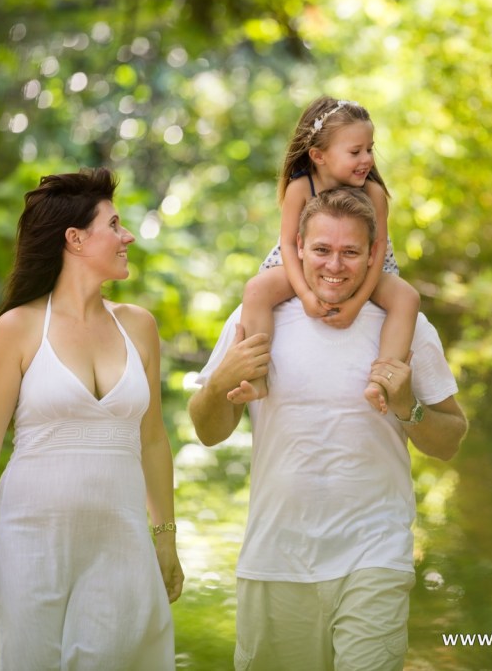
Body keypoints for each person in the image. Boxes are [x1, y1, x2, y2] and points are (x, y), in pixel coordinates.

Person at [189, 186, 468, 671]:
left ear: (372, 256)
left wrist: (408, 407)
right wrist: (219, 383)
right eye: (321, 250)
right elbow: (208, 430)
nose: (334, 266)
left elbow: (451, 439)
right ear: (298, 249)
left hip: (374, 556)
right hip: (275, 559)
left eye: (349, 252)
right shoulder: (255, 320)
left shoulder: (407, 328)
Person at [0, 168, 183, 669]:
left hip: (120, 544)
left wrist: (166, 537)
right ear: (75, 239)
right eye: (115, 224)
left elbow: (153, 441)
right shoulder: (18, 328)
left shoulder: (138, 327)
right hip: (29, 545)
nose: (128, 236)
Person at [231, 96, 421, 413]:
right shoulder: (301, 188)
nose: (368, 159)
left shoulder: (373, 193)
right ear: (319, 155)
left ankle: (383, 380)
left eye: (370, 149)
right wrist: (305, 294)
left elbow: (377, 250)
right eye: (355, 152)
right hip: (303, 265)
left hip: (366, 266)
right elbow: (290, 245)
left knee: (408, 299)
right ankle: (258, 376)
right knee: (256, 289)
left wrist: (356, 302)